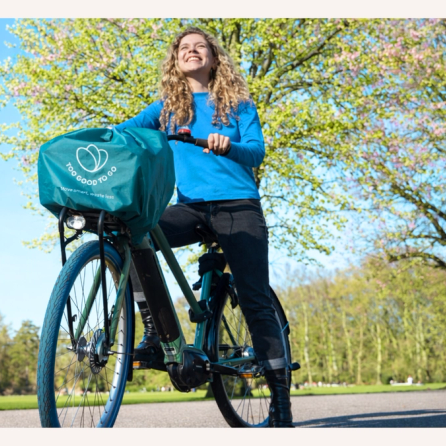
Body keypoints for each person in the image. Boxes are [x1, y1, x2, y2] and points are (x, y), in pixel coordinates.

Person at [114, 27, 293, 428]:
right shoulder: (167, 108)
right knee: (132, 233)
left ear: (213, 57)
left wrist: (228, 146)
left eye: (200, 47)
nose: (191, 52)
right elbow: (126, 132)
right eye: (184, 48)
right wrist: (95, 141)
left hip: (237, 206)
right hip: (190, 209)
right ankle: (154, 334)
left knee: (254, 297)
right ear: (175, 60)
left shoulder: (237, 104)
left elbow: (257, 151)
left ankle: (280, 400)